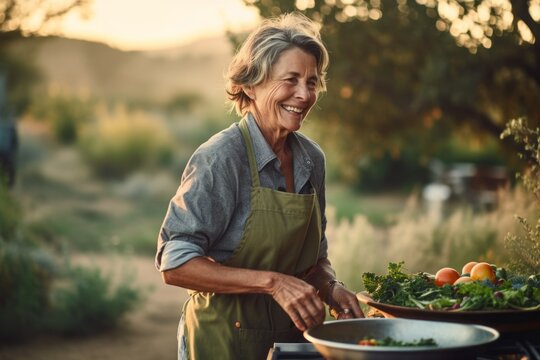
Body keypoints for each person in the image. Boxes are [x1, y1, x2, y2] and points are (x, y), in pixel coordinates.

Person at [155, 12, 364, 360]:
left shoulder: (313, 159)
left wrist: (330, 287)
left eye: (312, 82)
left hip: (291, 343)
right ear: (251, 85)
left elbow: (315, 261)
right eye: (291, 79)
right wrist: (273, 283)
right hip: (221, 342)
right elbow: (175, 263)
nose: (303, 94)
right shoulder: (220, 158)